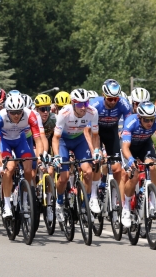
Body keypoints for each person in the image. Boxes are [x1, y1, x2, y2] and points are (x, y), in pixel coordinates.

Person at [121, 101, 156, 227]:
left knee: (151, 167)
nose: (150, 123)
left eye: (152, 119)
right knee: (134, 176)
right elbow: (125, 147)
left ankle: (152, 200)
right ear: (139, 117)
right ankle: (126, 208)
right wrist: (130, 160)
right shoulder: (130, 122)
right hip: (129, 148)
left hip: (145, 144)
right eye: (146, 120)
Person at [52, 89, 101, 222]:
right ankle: (59, 203)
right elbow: (55, 138)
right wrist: (56, 156)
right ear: (73, 104)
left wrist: (96, 151)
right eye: (80, 105)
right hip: (63, 141)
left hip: (79, 141)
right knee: (64, 176)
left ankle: (85, 206)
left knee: (88, 172)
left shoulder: (92, 112)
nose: (84, 108)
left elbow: (95, 135)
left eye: (86, 103)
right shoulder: (64, 113)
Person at [0, 94, 43, 218]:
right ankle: (6, 205)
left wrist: (40, 156)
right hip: (5, 142)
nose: (16, 115)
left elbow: (38, 140)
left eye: (19, 112)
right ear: (7, 111)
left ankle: (25, 200)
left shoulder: (30, 115)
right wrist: (0, 164)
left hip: (21, 141)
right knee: (9, 168)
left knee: (28, 168)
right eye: (13, 112)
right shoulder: (0, 117)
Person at [90, 79, 131, 213]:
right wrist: (96, 150)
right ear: (104, 95)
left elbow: (129, 123)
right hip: (96, 133)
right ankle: (94, 196)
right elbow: (88, 130)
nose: (113, 101)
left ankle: (122, 204)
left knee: (118, 169)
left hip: (111, 133)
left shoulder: (123, 104)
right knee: (97, 161)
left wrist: (125, 136)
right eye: (110, 99)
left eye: (116, 99)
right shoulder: (95, 104)